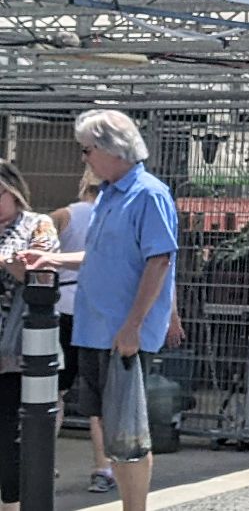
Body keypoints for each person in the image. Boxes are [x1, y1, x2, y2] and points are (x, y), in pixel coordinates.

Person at [23, 109, 178, 511]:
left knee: (128, 433)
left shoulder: (149, 193)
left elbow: (159, 260)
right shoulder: (110, 193)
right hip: (95, 330)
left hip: (121, 335)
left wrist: (133, 327)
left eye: (87, 149)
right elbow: (98, 256)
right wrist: (52, 261)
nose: (84, 158)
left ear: (112, 149)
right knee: (112, 429)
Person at [49, 171, 115, 493]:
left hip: (63, 306)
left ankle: (44, 461)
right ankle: (103, 467)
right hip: (98, 312)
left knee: (53, 392)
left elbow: (41, 248)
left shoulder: (64, 215)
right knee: (97, 397)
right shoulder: (113, 215)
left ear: (81, 185)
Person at [0, 160, 58, 511]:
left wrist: (14, 264)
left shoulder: (38, 224)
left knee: (9, 436)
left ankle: (11, 503)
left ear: (14, 192)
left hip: (15, 348)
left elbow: (44, 274)